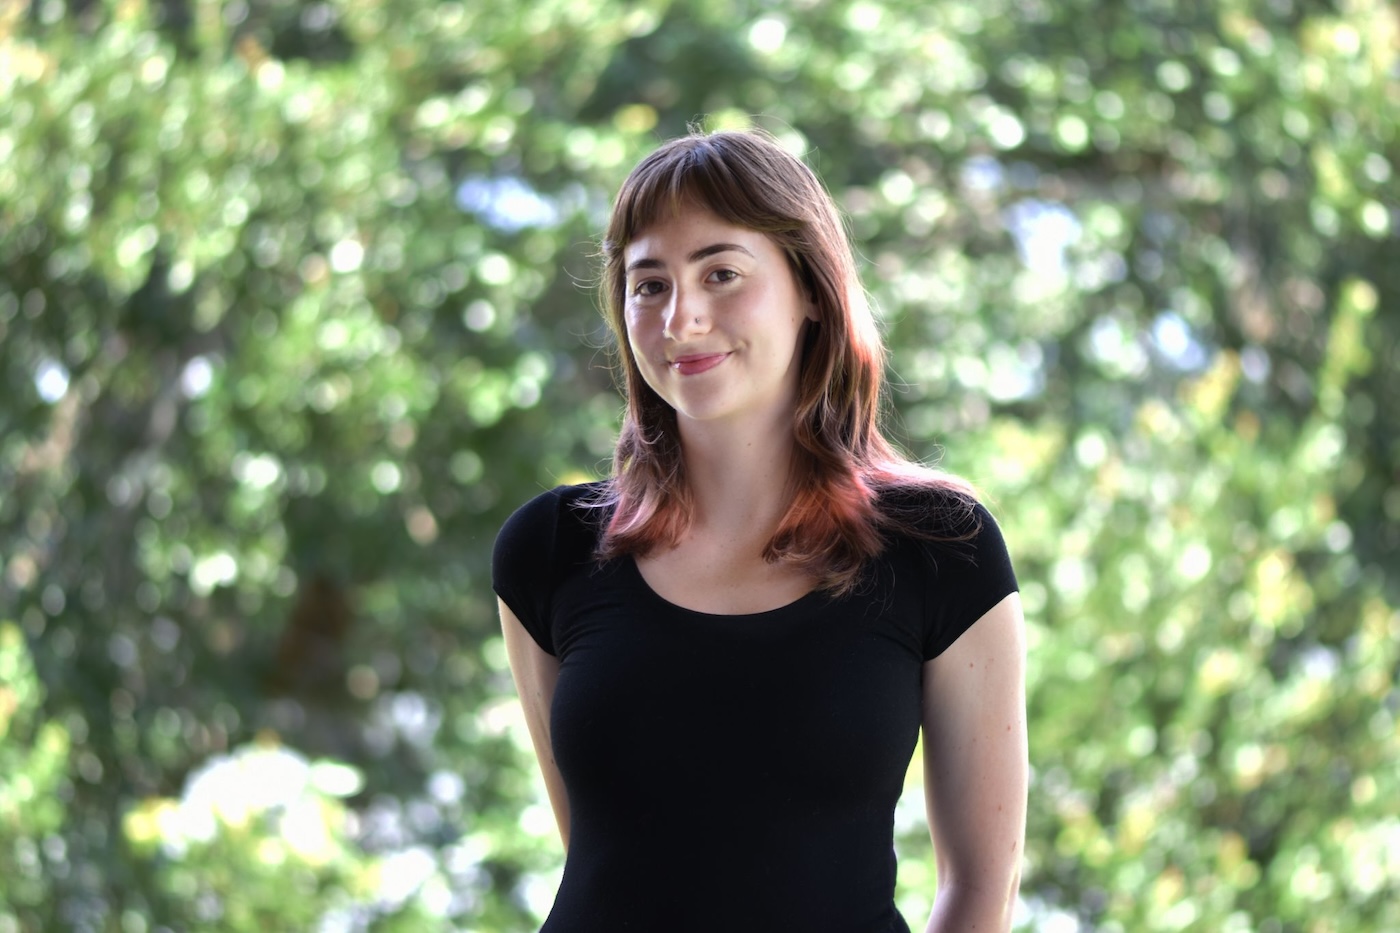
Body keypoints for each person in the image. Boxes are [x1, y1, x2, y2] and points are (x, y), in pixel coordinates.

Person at [493, 127, 1027, 933]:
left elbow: (981, 889)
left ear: (810, 288)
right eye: (649, 284)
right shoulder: (549, 549)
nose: (683, 318)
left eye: (722, 273)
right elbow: (601, 858)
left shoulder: (941, 549)